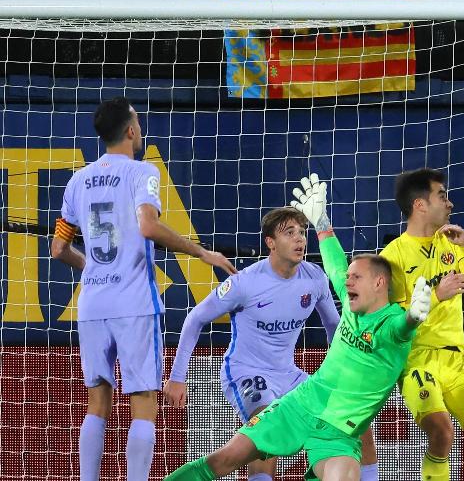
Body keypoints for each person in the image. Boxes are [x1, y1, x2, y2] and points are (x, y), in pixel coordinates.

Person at [164, 174, 432, 481]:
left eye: (302, 232)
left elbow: (337, 324)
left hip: (289, 375)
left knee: (361, 429)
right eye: (289, 233)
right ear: (271, 243)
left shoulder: (314, 277)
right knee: (259, 444)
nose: (300, 239)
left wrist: (346, 373)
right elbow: (195, 318)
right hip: (248, 370)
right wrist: (177, 376)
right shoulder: (246, 283)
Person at [50, 96, 237, 481]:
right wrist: (200, 251)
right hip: (134, 302)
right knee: (143, 401)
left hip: (93, 303)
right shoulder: (142, 173)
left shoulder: (77, 181)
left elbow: (58, 248)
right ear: (131, 131)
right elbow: (148, 226)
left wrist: (91, 269)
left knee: (97, 402)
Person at [380, 168, 464, 481]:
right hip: (417, 359)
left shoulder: (451, 243)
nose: (450, 204)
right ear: (420, 205)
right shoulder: (392, 255)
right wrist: (436, 295)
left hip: (456, 359)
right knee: (442, 432)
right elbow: (390, 319)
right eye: (442, 196)